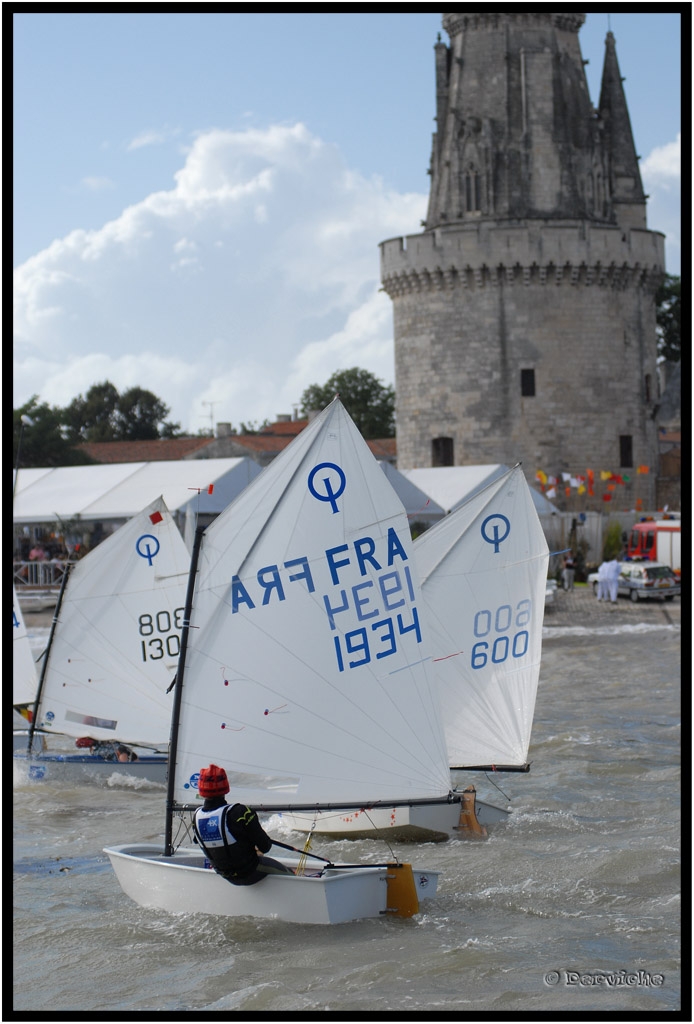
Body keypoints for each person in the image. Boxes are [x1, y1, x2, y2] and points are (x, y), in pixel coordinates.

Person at [193, 764, 294, 885]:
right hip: (249, 872)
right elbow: (265, 847)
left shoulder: (196, 817)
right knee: (291, 875)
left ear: (201, 790)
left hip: (223, 874)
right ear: (226, 787)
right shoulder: (241, 812)